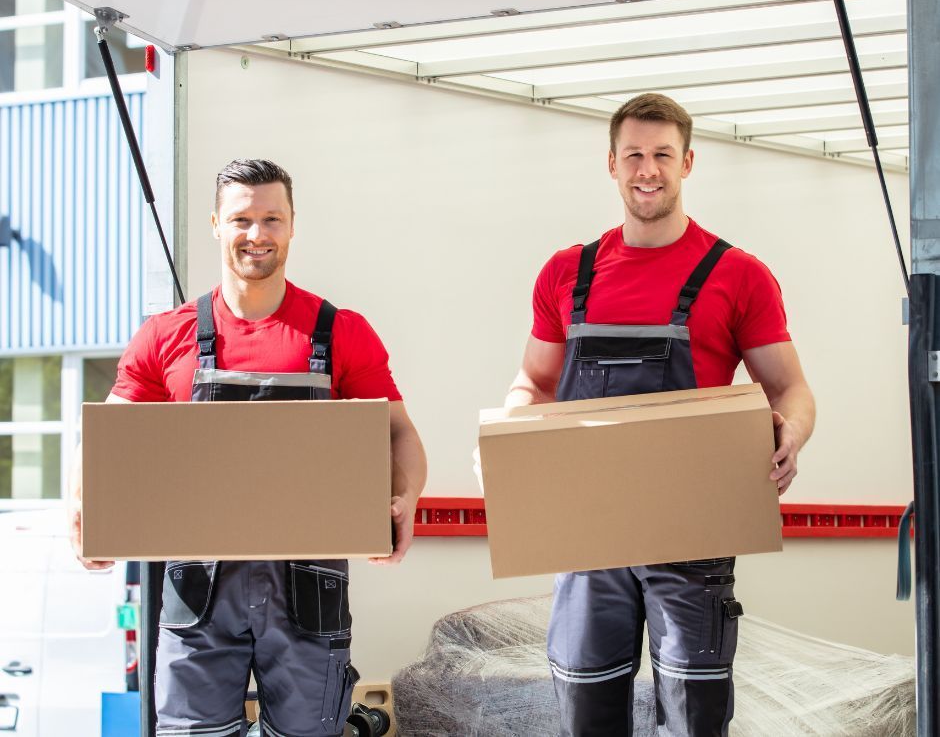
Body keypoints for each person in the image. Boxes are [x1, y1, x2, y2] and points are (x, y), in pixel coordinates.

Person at [68, 158, 427, 737]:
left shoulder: (339, 333)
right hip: (197, 590)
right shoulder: (166, 335)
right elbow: (110, 439)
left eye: (271, 219)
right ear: (215, 224)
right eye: (241, 219)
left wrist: (405, 496)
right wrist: (87, 508)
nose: (256, 234)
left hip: (309, 589)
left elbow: (398, 433)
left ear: (291, 226)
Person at [503, 94, 815, 736]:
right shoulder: (566, 273)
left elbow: (791, 391)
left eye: (663, 156)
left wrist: (792, 435)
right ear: (612, 164)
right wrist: (508, 437)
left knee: (693, 717)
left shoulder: (739, 275)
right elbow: (532, 383)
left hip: (694, 530)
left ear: (688, 163)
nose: (648, 169)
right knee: (587, 713)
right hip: (588, 534)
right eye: (635, 155)